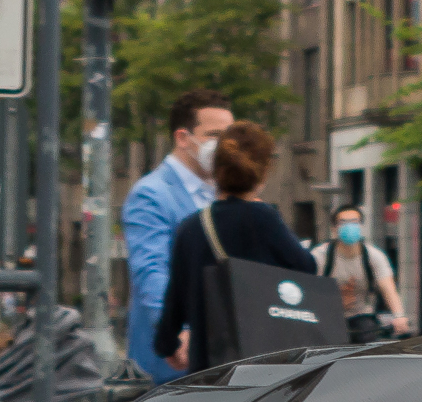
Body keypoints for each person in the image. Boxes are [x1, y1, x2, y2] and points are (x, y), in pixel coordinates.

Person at [154, 122, 317, 372]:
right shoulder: (265, 219)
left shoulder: (191, 228)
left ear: (216, 170)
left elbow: (175, 299)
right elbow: (307, 267)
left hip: (209, 363)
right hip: (266, 362)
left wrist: (167, 345)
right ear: (263, 172)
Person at [122, 88, 233, 382]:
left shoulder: (222, 192)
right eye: (215, 135)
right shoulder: (151, 194)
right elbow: (151, 270)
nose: (225, 145)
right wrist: (175, 333)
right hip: (173, 365)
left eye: (230, 136)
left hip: (220, 356)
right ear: (183, 138)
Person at [319, 204, 405, 341]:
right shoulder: (320, 256)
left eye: (355, 222)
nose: (349, 227)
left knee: (368, 341)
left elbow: (388, 288)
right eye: (343, 223)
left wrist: (399, 316)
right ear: (334, 228)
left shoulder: (374, 256)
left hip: (362, 316)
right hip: (326, 317)